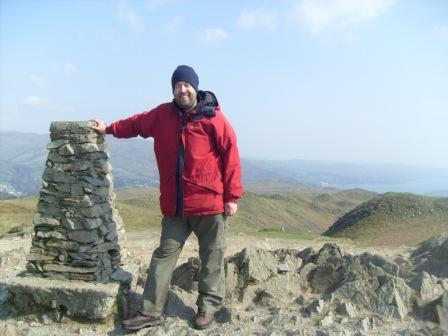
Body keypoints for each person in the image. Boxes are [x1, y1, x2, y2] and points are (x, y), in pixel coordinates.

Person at [92, 65, 243, 331]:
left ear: (195, 87)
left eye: (187, 85)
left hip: (210, 204)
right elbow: (136, 123)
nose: (182, 89)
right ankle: (150, 311)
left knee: (212, 257)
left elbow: (231, 157)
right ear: (173, 89)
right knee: (164, 255)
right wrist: (109, 129)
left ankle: (207, 308)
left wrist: (232, 197)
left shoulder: (214, 119)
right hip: (175, 206)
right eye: (177, 85)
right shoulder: (163, 114)